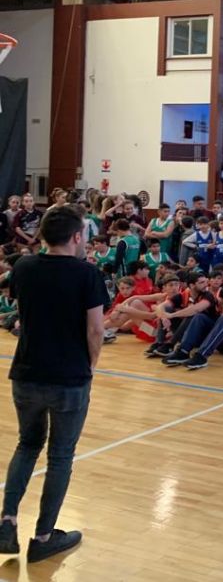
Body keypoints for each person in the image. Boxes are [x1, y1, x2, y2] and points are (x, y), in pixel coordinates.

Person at [0, 206, 109, 562]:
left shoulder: (24, 266)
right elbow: (96, 329)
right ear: (77, 236)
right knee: (60, 455)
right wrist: (91, 364)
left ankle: (7, 520)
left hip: (26, 372)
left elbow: (21, 306)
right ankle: (44, 537)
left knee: (27, 444)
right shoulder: (87, 273)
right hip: (69, 378)